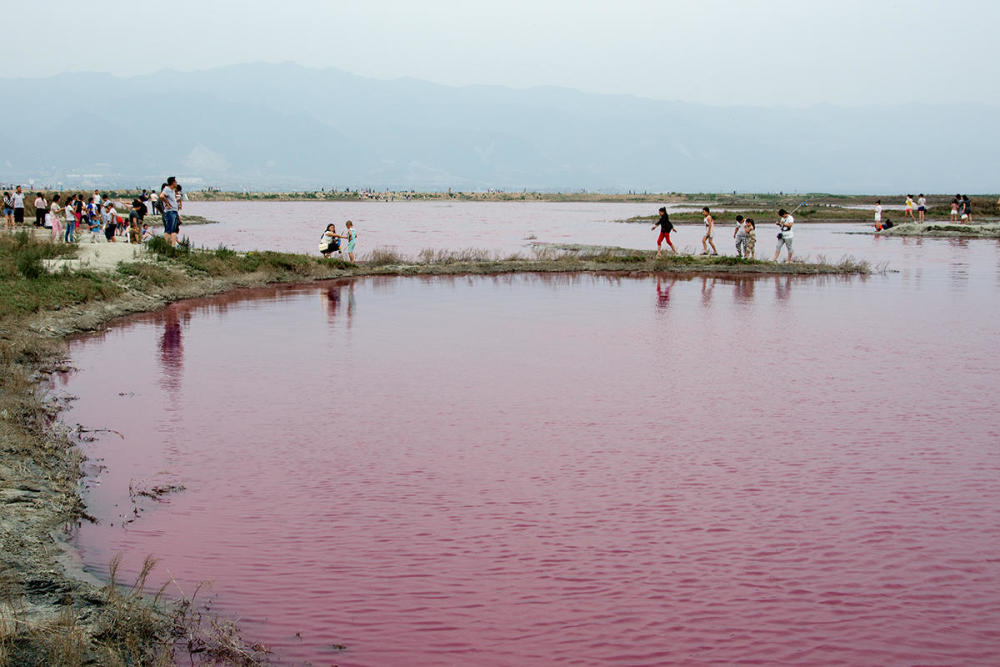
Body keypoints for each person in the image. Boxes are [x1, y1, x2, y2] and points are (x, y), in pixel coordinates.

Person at [160, 177, 180, 246]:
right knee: (171, 230)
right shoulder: (167, 189)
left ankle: (170, 245)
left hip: (173, 211)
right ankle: (170, 246)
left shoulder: (172, 190)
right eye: (176, 182)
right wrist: (167, 204)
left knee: (171, 229)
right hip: (170, 211)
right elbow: (162, 196)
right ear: (173, 182)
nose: (176, 183)